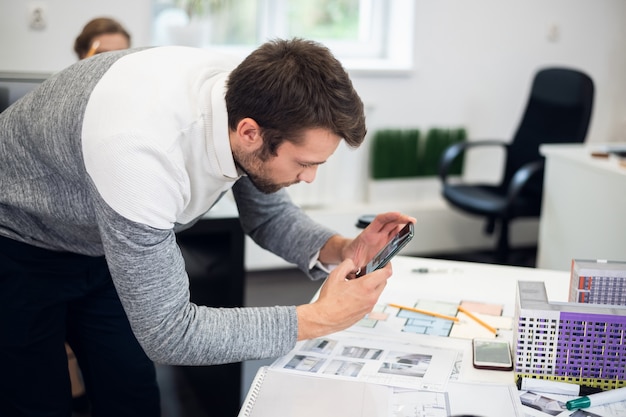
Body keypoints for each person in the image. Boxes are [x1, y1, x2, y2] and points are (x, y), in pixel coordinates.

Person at [0, 38, 415, 416]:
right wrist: (318, 318)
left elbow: (268, 214)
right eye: (305, 163)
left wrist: (341, 248)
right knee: (36, 403)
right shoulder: (141, 150)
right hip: (19, 239)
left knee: (132, 397)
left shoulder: (250, 95)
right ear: (250, 132)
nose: (309, 178)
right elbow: (170, 332)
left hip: (106, 245)